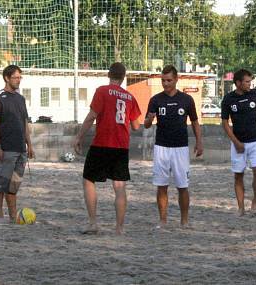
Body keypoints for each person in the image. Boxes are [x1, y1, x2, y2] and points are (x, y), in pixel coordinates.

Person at [74, 62, 141, 235]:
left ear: (108, 75)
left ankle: (93, 223)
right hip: (121, 146)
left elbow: (91, 116)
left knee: (89, 179)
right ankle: (119, 228)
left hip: (102, 143)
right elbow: (136, 126)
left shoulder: (102, 91)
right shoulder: (129, 97)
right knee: (119, 186)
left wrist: (79, 137)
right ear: (124, 77)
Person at [144, 65, 203, 228]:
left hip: (180, 148)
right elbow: (147, 125)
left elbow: (195, 122)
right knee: (161, 185)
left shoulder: (187, 100)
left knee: (182, 186)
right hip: (161, 148)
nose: (165, 83)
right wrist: (149, 119)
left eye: (169, 80)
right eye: (163, 80)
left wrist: (199, 142)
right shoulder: (155, 100)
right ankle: (162, 220)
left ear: (176, 79)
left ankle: (184, 221)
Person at [221, 68, 256, 216]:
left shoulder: (255, 94)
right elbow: (225, 123)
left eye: (250, 81)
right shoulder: (228, 99)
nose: (249, 84)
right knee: (238, 174)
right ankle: (240, 208)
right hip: (238, 143)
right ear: (238, 83)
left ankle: (255, 203)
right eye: (247, 82)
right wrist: (236, 142)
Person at [0, 65, 35, 223]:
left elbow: (24, 123)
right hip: (6, 149)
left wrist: (29, 144)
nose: (18, 80)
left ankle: (12, 216)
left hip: (20, 149)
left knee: (13, 186)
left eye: (20, 77)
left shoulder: (20, 98)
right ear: (7, 78)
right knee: (1, 184)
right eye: (16, 77)